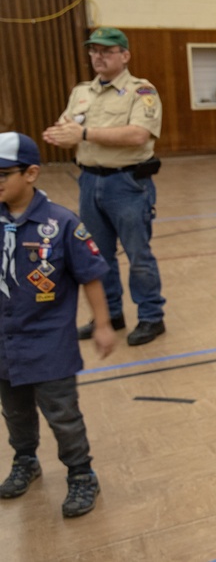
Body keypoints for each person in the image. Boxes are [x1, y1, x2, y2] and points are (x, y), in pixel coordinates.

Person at [0, 132, 116, 518]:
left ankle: (81, 473)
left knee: (62, 415)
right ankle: (26, 460)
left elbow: (91, 276)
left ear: (31, 173)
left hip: (49, 343)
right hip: (4, 344)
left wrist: (102, 324)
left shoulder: (61, 223)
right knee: (14, 412)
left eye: (4, 174)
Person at [42, 26, 167, 347]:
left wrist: (83, 135)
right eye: (94, 50)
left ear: (124, 56)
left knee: (139, 255)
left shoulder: (143, 92)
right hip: (89, 180)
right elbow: (65, 125)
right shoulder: (81, 92)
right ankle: (111, 314)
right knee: (99, 256)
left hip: (127, 182)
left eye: (106, 51)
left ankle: (151, 317)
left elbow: (139, 135)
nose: (98, 56)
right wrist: (58, 134)